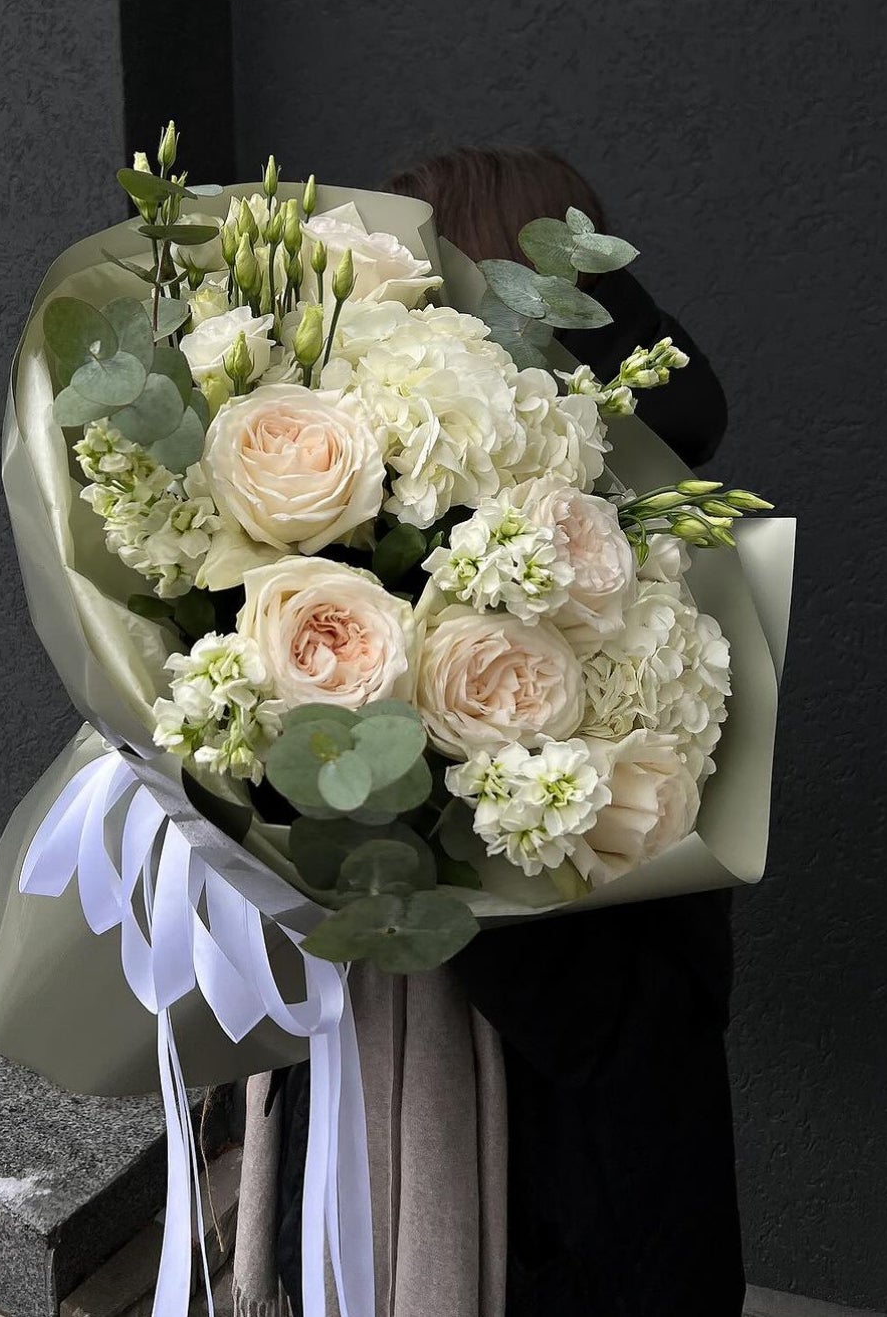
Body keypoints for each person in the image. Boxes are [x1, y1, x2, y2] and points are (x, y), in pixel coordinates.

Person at [267, 147, 743, 1317]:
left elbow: (630, 1030)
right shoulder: (338, 600)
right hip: (460, 1163)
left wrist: (430, 826)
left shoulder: (643, 607)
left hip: (561, 1215)